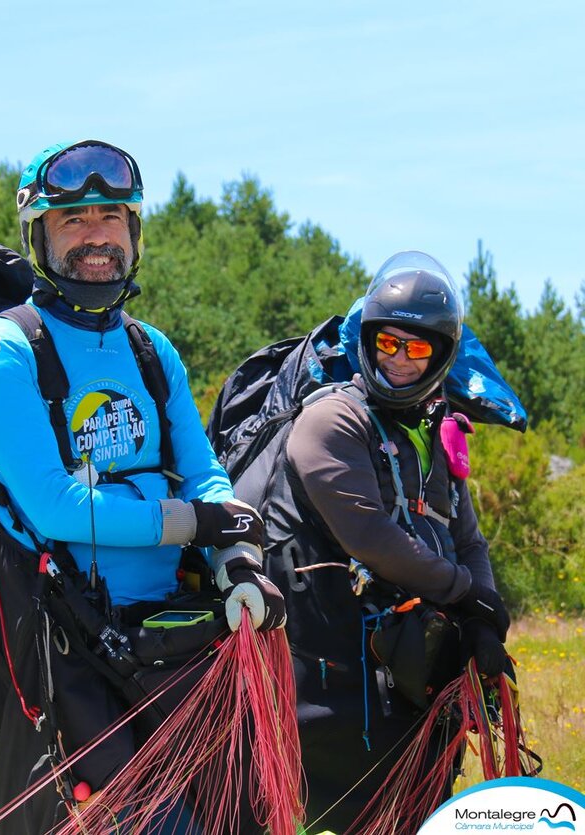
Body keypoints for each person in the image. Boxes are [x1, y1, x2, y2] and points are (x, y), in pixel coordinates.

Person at [0, 140, 286, 830]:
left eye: (111, 216)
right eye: (72, 221)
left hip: (176, 629)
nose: (96, 237)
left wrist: (238, 563)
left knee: (241, 815)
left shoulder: (149, 349)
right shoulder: (5, 349)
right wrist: (195, 524)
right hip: (71, 644)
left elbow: (203, 473)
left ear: (133, 232)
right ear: (38, 237)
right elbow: (55, 505)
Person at [262, 251, 510, 832]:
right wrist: (464, 593)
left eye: (417, 348)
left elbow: (466, 538)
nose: (398, 360)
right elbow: (372, 537)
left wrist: (485, 618)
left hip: (414, 684)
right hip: (337, 688)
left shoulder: (430, 431)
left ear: (442, 354)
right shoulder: (331, 422)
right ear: (367, 341)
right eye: (387, 343)